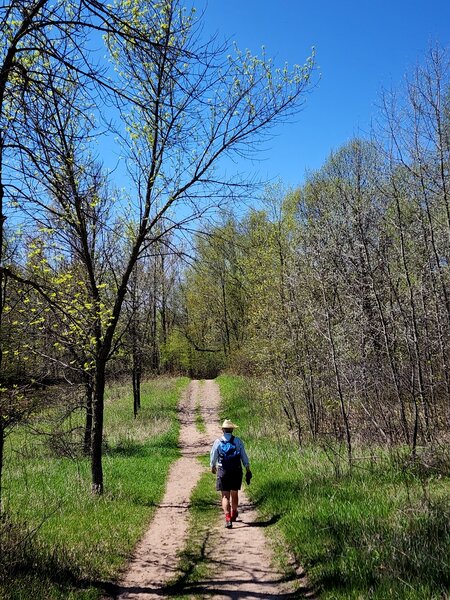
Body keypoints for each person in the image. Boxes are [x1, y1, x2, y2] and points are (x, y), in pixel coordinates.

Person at [210, 418, 252, 529]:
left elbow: (213, 455)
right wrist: (247, 468)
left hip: (223, 470)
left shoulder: (218, 442)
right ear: (232, 429)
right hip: (236, 470)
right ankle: (234, 514)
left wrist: (212, 466)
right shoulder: (238, 441)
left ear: (223, 430)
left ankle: (228, 519)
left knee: (225, 495)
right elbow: (244, 456)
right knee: (234, 494)